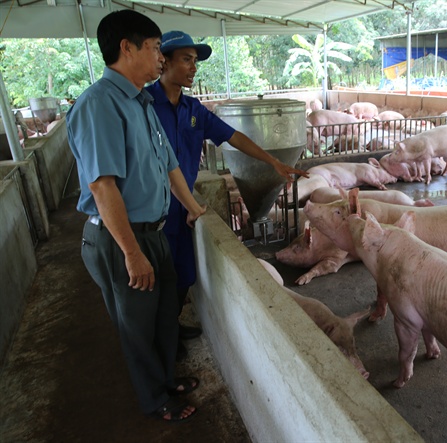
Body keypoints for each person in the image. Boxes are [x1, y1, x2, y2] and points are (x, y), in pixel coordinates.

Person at [67, 10, 203, 422]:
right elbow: (101, 186)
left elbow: (169, 166)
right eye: (154, 47)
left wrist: (195, 209)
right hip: (120, 237)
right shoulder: (98, 105)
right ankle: (155, 398)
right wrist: (130, 252)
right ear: (126, 48)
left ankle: (166, 378)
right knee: (138, 325)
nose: (161, 57)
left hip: (154, 231)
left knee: (163, 315)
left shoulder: (142, 102)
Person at [145, 30, 308, 360]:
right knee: (157, 279)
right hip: (156, 207)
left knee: (183, 274)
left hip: (184, 206)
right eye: (186, 60)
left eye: (195, 61)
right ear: (164, 61)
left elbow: (233, 136)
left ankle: (171, 327)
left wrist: (273, 161)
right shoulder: (145, 106)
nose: (193, 68)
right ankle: (161, 341)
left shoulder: (194, 109)